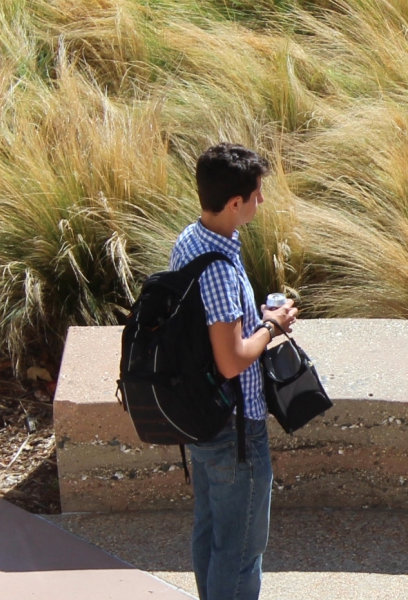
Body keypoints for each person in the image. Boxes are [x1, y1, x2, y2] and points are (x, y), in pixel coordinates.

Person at [172, 142, 298, 600]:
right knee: (241, 550)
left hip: (200, 418)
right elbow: (231, 359)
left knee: (209, 533)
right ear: (234, 203)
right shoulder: (221, 269)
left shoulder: (191, 240)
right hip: (234, 429)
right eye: (257, 195)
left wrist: (254, 318)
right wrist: (272, 325)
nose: (261, 202)